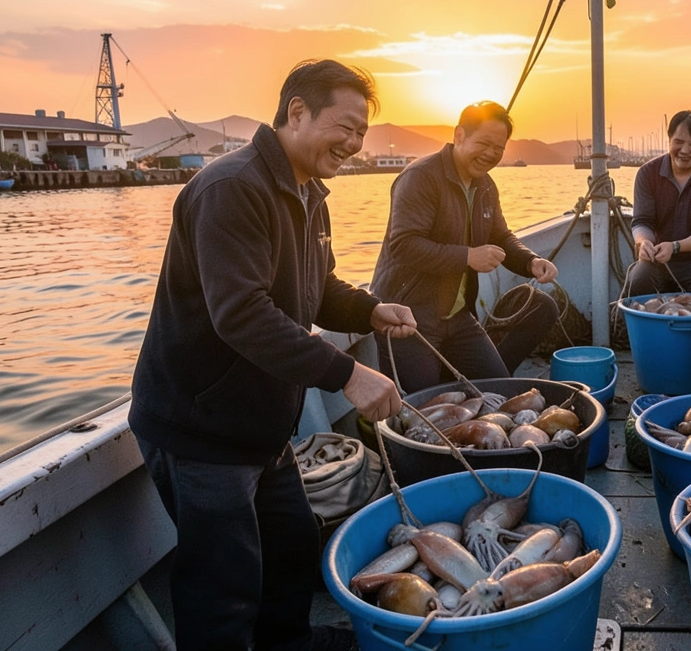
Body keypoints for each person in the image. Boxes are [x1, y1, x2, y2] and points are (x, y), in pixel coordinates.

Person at [129, 59, 417, 651]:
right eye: (346, 126)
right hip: (200, 430)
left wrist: (367, 311)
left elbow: (316, 289)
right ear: (296, 112)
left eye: (363, 133)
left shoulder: (310, 194)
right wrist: (346, 375)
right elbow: (241, 314)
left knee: (291, 551)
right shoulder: (232, 188)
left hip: (262, 428)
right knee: (221, 593)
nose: (356, 144)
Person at [370, 100, 559, 391]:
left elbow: (500, 236)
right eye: (483, 143)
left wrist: (530, 261)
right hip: (410, 317)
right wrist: (468, 256)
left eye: (498, 148)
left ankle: (456, 384)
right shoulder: (420, 177)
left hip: (457, 316)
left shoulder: (485, 186)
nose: (490, 154)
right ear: (459, 136)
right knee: (428, 404)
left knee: (499, 390)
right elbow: (404, 245)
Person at [625, 110, 691, 297]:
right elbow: (642, 221)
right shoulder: (647, 173)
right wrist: (643, 243)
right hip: (656, 260)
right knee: (636, 283)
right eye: (678, 142)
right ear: (669, 140)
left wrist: (675, 247)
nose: (684, 150)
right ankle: (625, 326)